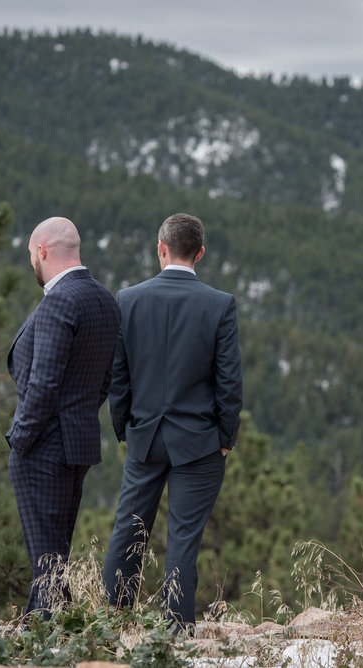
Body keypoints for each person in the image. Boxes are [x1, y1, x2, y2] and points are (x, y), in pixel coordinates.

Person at [104, 212, 242, 633]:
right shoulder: (219, 304)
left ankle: (112, 622)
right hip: (199, 442)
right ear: (200, 253)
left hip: (144, 437)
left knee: (129, 530)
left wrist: (125, 428)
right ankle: (176, 633)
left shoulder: (127, 300)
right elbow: (229, 382)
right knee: (183, 538)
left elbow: (118, 376)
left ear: (160, 249)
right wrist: (225, 437)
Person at [6, 216, 121, 618]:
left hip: (44, 445)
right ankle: (47, 628)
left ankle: (46, 632)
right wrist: (80, 414)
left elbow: (43, 382)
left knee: (47, 557)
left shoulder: (59, 301)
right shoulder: (104, 299)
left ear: (41, 251)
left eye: (30, 256)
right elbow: (106, 379)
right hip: (79, 443)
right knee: (53, 553)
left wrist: (21, 438)